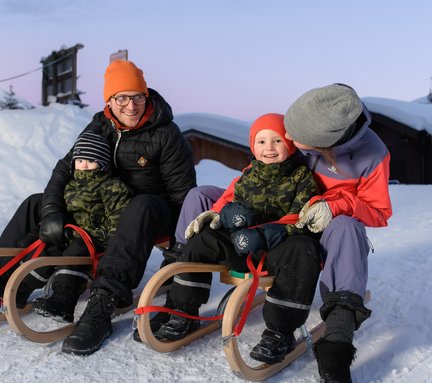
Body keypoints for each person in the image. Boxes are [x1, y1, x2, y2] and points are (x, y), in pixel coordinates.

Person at [168, 84, 392, 382]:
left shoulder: (373, 155)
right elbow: (256, 176)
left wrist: (335, 206)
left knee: (346, 228)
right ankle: (176, 291)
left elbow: (378, 211)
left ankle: (337, 340)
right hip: (275, 207)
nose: (289, 141)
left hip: (315, 228)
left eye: (297, 140)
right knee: (202, 195)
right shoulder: (309, 117)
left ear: (325, 142)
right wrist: (221, 209)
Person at [0, 60, 196, 356]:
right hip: (102, 204)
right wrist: (53, 210)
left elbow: (184, 195)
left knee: (141, 204)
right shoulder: (100, 124)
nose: (131, 106)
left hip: (152, 212)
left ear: (147, 96)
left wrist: (180, 248)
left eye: (138, 97)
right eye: (122, 98)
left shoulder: (166, 134)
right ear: (109, 101)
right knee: (35, 203)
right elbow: (66, 168)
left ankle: (101, 308)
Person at [156, 113, 322, 365]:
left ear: (289, 144)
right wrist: (224, 216)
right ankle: (184, 311)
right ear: (253, 146)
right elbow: (231, 204)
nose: (269, 148)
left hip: (279, 249)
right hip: (243, 246)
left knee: (303, 247)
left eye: (277, 141)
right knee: (204, 239)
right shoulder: (247, 176)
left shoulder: (302, 178)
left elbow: (300, 217)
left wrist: (267, 233)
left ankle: (280, 332)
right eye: (262, 142)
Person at [31, 131, 132, 323]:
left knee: (76, 251)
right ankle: (20, 288)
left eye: (91, 160)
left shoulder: (112, 187)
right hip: (73, 234)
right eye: (80, 160)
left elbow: (118, 220)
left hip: (95, 240)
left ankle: (64, 301)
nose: (84, 165)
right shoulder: (70, 186)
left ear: (102, 163)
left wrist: (108, 241)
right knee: (45, 242)